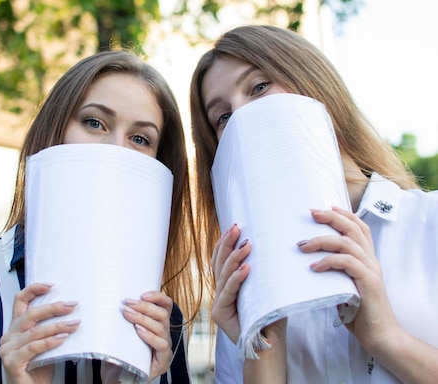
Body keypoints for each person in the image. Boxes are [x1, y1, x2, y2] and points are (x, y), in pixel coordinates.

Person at [0, 50, 203, 384]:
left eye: (140, 138)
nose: (114, 149)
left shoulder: (158, 319)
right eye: (93, 122)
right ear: (54, 129)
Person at [188, 24, 438, 383]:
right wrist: (264, 346)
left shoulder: (429, 223)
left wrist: (386, 338)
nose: (241, 116)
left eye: (259, 87)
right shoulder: (242, 288)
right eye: (222, 116)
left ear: (313, 82)